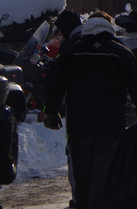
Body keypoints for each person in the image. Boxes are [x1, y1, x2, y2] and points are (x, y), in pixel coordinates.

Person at [43, 12, 137, 209]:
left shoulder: (71, 53)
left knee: (80, 173)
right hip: (110, 126)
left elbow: (53, 83)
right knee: (104, 172)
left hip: (78, 126)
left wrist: (51, 112)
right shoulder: (121, 52)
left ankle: (81, 204)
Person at [49, 10, 83, 209]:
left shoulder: (69, 47)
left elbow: (56, 82)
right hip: (109, 114)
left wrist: (52, 110)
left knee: (76, 159)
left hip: (77, 113)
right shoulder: (107, 42)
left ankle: (79, 200)